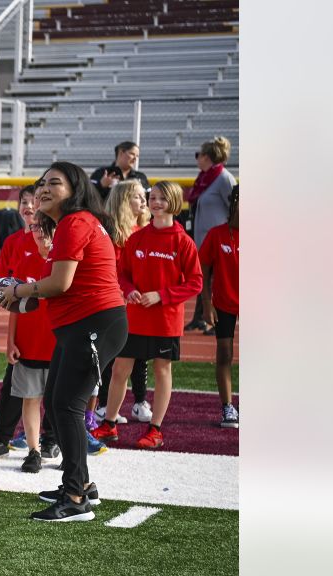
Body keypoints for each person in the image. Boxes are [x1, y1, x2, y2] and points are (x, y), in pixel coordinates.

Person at [0, 161, 127, 522]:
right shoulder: (71, 224)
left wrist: (17, 290)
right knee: (56, 402)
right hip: (86, 324)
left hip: (94, 323)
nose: (43, 189)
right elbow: (54, 282)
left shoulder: (75, 222)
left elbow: (59, 284)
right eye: (42, 184)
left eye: (55, 183)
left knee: (66, 405)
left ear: (76, 190)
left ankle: (75, 497)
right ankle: (80, 483)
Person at [91, 181, 201, 450]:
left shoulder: (183, 242)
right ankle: (109, 424)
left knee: (162, 370)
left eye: (162, 198)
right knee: (119, 369)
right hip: (135, 318)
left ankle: (155, 429)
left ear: (174, 202)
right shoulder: (136, 238)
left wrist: (161, 295)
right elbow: (122, 273)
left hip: (166, 321)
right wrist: (128, 290)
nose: (155, 202)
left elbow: (195, 282)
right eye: (152, 197)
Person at [0, 185, 59, 462]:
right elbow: (4, 290)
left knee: (55, 392)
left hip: (53, 332)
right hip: (25, 330)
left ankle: (50, 440)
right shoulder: (14, 243)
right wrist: (10, 337)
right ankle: (1, 438)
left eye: (34, 201)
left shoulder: (58, 243)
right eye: (24, 202)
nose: (28, 207)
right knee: (15, 387)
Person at [97, 179, 153, 424]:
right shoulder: (110, 233)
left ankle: (140, 401)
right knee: (111, 356)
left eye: (144, 197)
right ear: (123, 200)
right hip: (114, 302)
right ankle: (103, 404)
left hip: (139, 301)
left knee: (140, 354)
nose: (144, 201)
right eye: (138, 196)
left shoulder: (147, 232)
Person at [5, 221, 58, 473]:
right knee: (30, 399)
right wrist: (10, 340)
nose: (41, 233)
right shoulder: (26, 262)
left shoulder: (65, 264)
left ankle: (68, 452)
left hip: (59, 343)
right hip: (29, 343)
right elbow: (15, 306)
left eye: (46, 227)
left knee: (62, 404)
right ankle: (34, 451)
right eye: (36, 227)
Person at [186, 136, 236, 333]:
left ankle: (218, 321)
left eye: (198, 154)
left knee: (217, 283)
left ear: (206, 157)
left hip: (219, 241)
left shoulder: (224, 178)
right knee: (203, 279)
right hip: (203, 240)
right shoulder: (204, 179)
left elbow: (236, 209)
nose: (197, 158)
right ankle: (199, 318)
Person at [199, 185, 239, 428]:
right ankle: (227, 407)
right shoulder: (217, 234)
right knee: (225, 354)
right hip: (224, 303)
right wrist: (206, 304)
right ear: (234, 203)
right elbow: (203, 268)